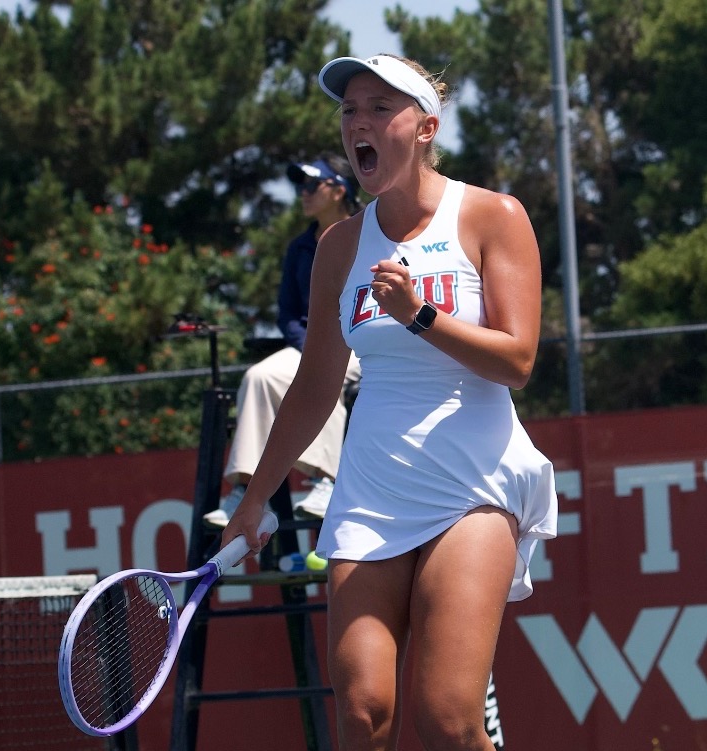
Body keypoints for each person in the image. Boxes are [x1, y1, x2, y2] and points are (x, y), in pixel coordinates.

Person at [220, 53, 557, 751]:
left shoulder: (494, 215)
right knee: (364, 715)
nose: (359, 124)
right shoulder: (339, 247)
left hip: (474, 486)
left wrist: (419, 314)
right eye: (349, 111)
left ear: (425, 126)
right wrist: (255, 498)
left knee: (449, 721)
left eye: (379, 108)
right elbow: (315, 384)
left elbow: (518, 360)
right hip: (372, 489)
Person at [203, 153, 364, 528]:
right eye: (300, 186)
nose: (302, 193)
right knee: (259, 376)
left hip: (364, 345)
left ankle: (327, 482)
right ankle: (248, 492)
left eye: (311, 185)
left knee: (322, 375)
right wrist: (312, 346)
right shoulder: (299, 248)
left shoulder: (373, 231)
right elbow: (288, 315)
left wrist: (329, 351)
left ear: (338, 191)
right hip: (309, 346)